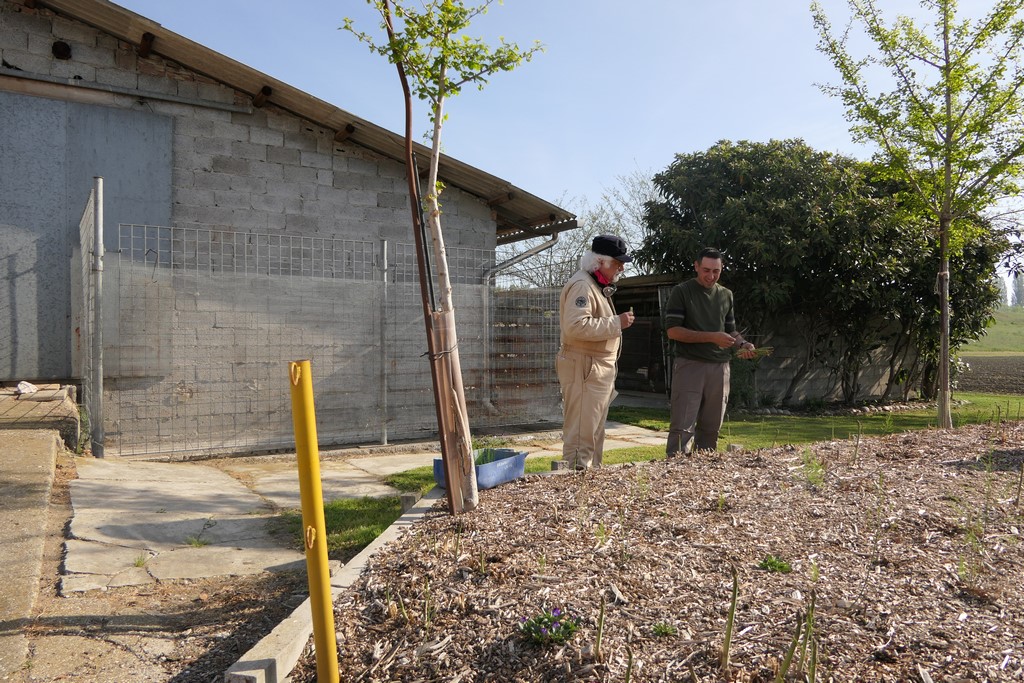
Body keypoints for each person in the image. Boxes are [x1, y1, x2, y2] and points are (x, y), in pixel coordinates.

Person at [664, 247, 755, 455]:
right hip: (690, 365)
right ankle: (676, 471)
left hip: (720, 369)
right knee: (682, 427)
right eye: (706, 270)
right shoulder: (682, 292)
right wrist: (712, 337)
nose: (711, 276)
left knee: (712, 427)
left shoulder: (726, 295)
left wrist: (742, 344)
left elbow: (731, 330)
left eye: (716, 271)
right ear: (696, 267)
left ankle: (702, 475)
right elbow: (673, 331)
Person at [556, 234, 635, 469]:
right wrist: (616, 323)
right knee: (582, 436)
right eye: (617, 262)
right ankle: (575, 486)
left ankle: (587, 484)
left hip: (592, 368)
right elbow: (575, 326)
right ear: (599, 262)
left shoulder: (594, 285)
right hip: (585, 367)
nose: (621, 267)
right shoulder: (583, 285)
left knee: (592, 433)